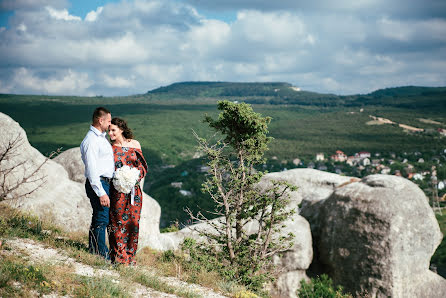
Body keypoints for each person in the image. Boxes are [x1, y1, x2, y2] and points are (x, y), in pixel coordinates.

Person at [108, 117, 148, 265]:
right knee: (117, 223)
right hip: (117, 191)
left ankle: (130, 257)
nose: (110, 134)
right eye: (109, 131)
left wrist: (134, 178)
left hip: (134, 191)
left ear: (122, 130)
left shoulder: (135, 144)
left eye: (113, 130)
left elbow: (142, 166)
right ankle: (119, 257)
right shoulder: (110, 148)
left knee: (133, 223)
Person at [80, 107, 114, 259]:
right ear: (101, 120)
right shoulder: (91, 141)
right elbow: (92, 169)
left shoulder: (101, 138)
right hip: (99, 183)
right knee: (102, 219)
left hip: (104, 182)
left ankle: (93, 251)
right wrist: (101, 192)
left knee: (98, 218)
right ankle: (102, 255)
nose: (110, 124)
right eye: (108, 120)